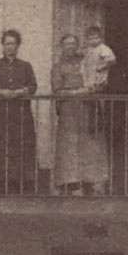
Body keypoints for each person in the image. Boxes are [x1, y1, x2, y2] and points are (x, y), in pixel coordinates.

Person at [52, 34, 109, 196]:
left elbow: (99, 81)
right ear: (61, 47)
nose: (70, 47)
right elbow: (57, 91)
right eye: (66, 44)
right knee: (68, 147)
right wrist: (78, 92)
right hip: (69, 112)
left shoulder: (86, 63)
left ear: (77, 46)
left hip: (87, 109)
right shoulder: (57, 67)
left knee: (88, 146)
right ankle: (67, 183)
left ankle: (88, 182)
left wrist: (93, 88)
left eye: (73, 44)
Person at [0, 29, 38, 194]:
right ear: (2, 45)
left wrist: (20, 92)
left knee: (21, 146)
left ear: (18, 45)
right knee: (0, 146)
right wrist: (2, 93)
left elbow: (33, 86)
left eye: (13, 43)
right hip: (0, 114)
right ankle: (2, 183)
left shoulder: (25, 66)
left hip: (20, 114)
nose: (10, 47)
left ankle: (20, 182)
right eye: (7, 43)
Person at [81, 26, 116, 93]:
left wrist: (103, 66)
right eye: (90, 39)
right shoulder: (88, 49)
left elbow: (112, 60)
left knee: (98, 89)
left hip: (99, 75)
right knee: (88, 89)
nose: (93, 41)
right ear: (87, 40)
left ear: (100, 38)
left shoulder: (103, 48)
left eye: (96, 38)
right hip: (89, 74)